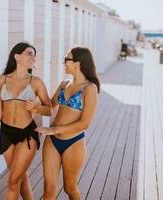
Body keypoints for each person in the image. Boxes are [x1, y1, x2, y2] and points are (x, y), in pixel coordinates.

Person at [0, 42, 52, 200]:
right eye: (29, 53)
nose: (33, 57)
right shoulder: (1, 80)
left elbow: (49, 109)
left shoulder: (36, 82)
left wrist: (37, 108)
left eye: (34, 55)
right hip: (7, 133)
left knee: (13, 181)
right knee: (21, 178)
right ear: (17, 56)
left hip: (26, 134)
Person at [35, 47, 100, 200]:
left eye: (67, 60)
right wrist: (35, 107)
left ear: (77, 63)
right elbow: (50, 108)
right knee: (49, 189)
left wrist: (54, 129)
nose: (64, 63)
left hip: (73, 142)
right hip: (52, 141)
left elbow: (85, 123)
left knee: (69, 188)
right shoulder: (64, 84)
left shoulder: (89, 88)